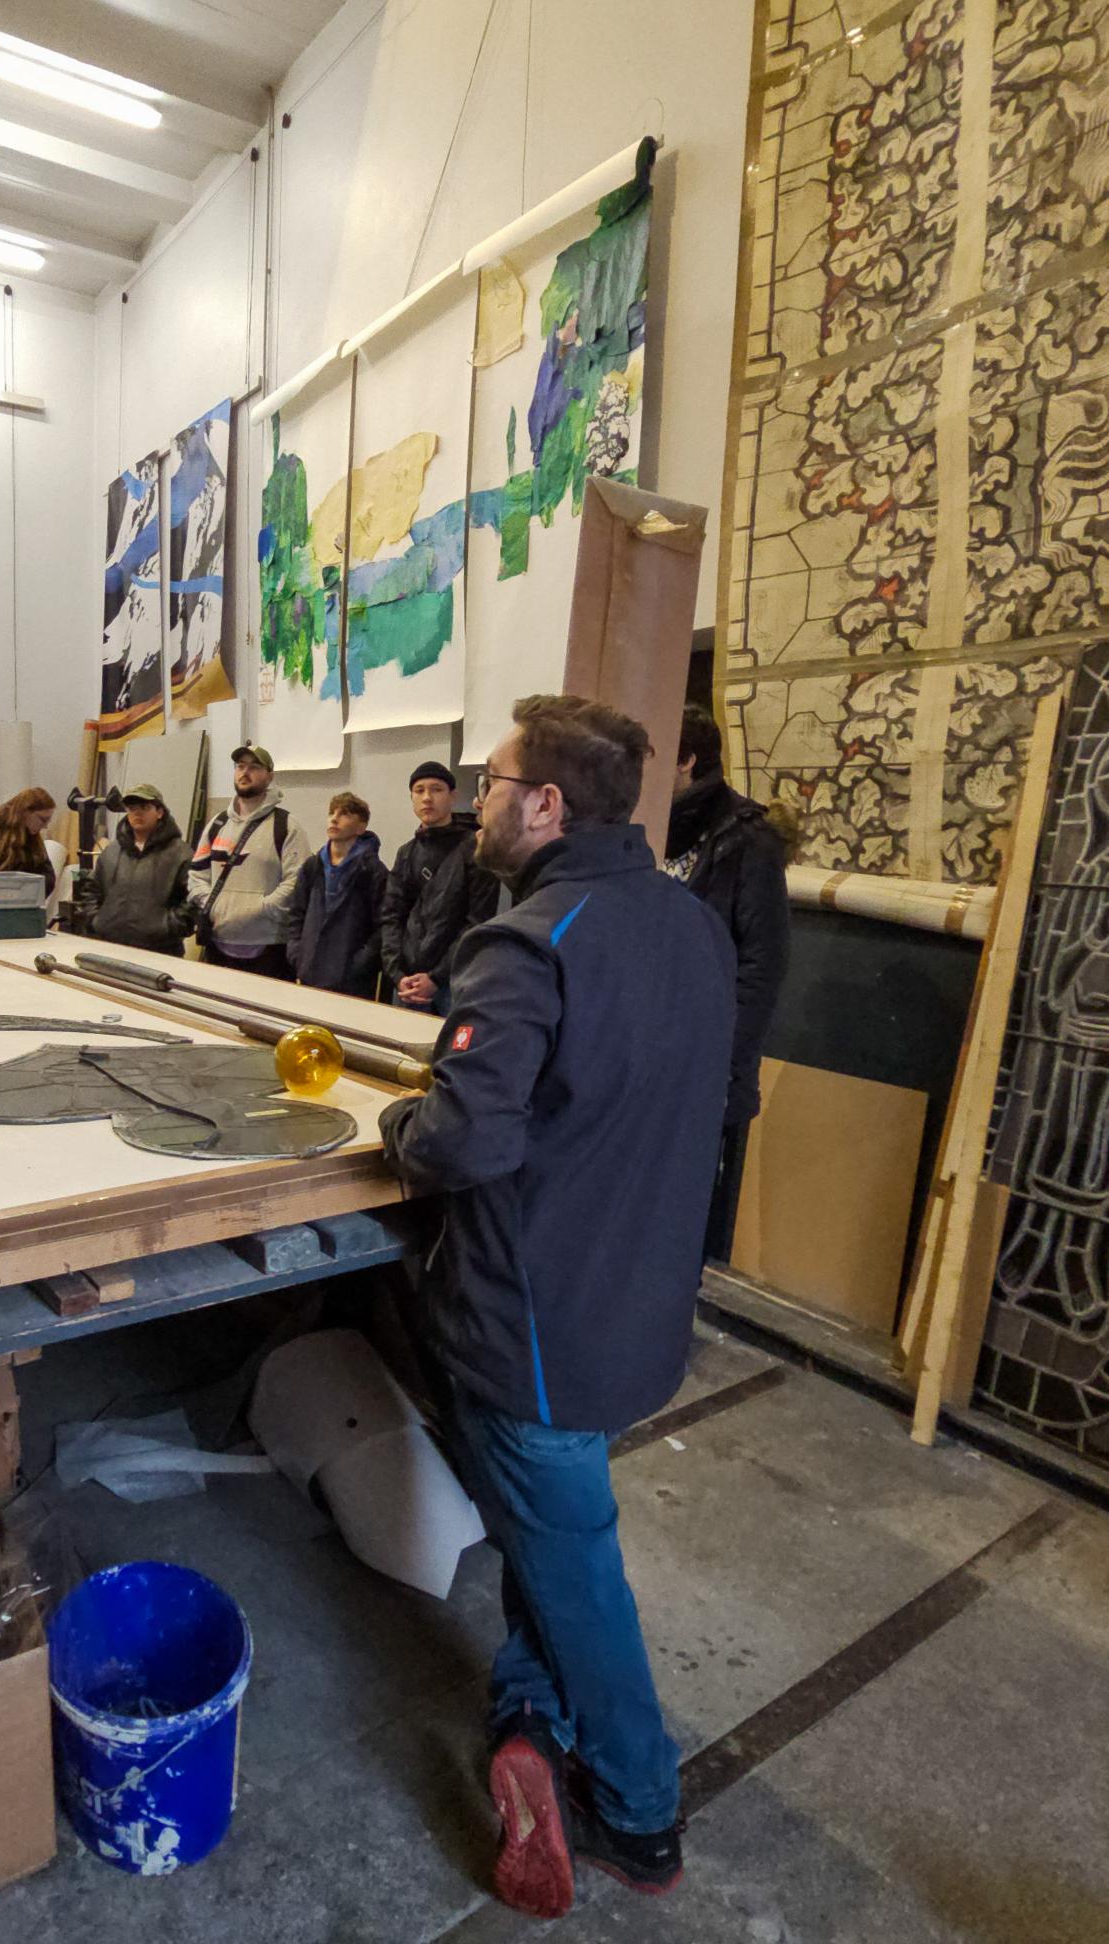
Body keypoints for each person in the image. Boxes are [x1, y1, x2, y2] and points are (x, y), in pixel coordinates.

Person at [379, 695, 735, 1922]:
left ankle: (637, 1811)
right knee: (549, 1532)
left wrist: (403, 1122)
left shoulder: (528, 941)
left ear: (544, 804)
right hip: (641, 1306)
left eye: (489, 783)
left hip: (534, 1323)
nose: (474, 802)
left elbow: (463, 1142)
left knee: (576, 1567)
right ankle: (530, 1715)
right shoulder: (690, 922)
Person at [665, 705, 792, 1260]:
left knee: (689, 1226)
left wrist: (719, 1065)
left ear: (686, 760)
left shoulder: (747, 838)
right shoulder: (648, 827)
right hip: (648, 1057)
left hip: (705, 1064)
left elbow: (761, 966)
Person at [188, 744, 310, 978]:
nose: (245, 772)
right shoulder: (217, 824)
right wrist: (212, 906)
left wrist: (261, 910)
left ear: (269, 776)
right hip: (218, 946)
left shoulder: (286, 826)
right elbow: (197, 874)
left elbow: (296, 882)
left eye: (254, 767)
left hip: (269, 949)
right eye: (240, 766)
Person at [380, 761, 483, 1014]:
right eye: (419, 790)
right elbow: (391, 916)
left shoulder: (475, 849)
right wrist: (397, 973)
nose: (427, 797)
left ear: (452, 796)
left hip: (453, 983)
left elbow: (477, 921)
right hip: (408, 984)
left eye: (436, 789)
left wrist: (436, 977)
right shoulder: (407, 853)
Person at [286, 792, 388, 996]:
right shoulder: (312, 866)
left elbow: (383, 925)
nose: (334, 819)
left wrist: (361, 962)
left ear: (361, 827)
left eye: (345, 814)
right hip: (310, 971)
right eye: (332, 813)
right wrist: (297, 953)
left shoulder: (373, 870)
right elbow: (296, 913)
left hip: (352, 979)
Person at [89, 784, 195, 957]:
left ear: (159, 812)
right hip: (111, 949)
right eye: (132, 808)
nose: (137, 813)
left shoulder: (181, 854)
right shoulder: (111, 852)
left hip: (160, 953)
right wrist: (97, 921)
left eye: (144, 807)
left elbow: (192, 900)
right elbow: (92, 891)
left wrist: (167, 927)